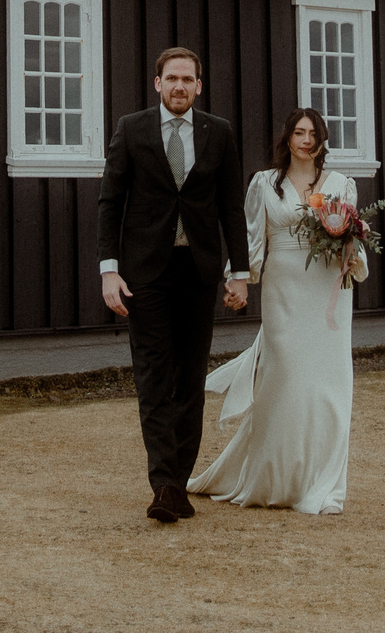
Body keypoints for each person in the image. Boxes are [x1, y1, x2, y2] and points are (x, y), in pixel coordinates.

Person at [96, 45, 252, 524]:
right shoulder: (132, 128)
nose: (180, 86)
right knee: (152, 377)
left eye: (188, 79)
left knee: (189, 380)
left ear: (199, 86)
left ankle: (179, 481)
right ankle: (163, 484)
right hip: (145, 275)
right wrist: (109, 269)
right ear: (158, 83)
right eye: (172, 79)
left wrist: (240, 274)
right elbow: (111, 203)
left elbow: (230, 206)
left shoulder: (218, 132)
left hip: (199, 273)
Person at [187, 107, 366, 515]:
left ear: (322, 141)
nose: (306, 140)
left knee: (327, 386)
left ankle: (317, 480)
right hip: (283, 288)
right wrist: (240, 281)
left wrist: (352, 240)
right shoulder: (265, 184)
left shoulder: (341, 184)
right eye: (298, 132)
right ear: (287, 138)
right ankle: (273, 477)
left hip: (326, 292)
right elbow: (253, 238)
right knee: (284, 379)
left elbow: (351, 242)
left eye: (313, 133)